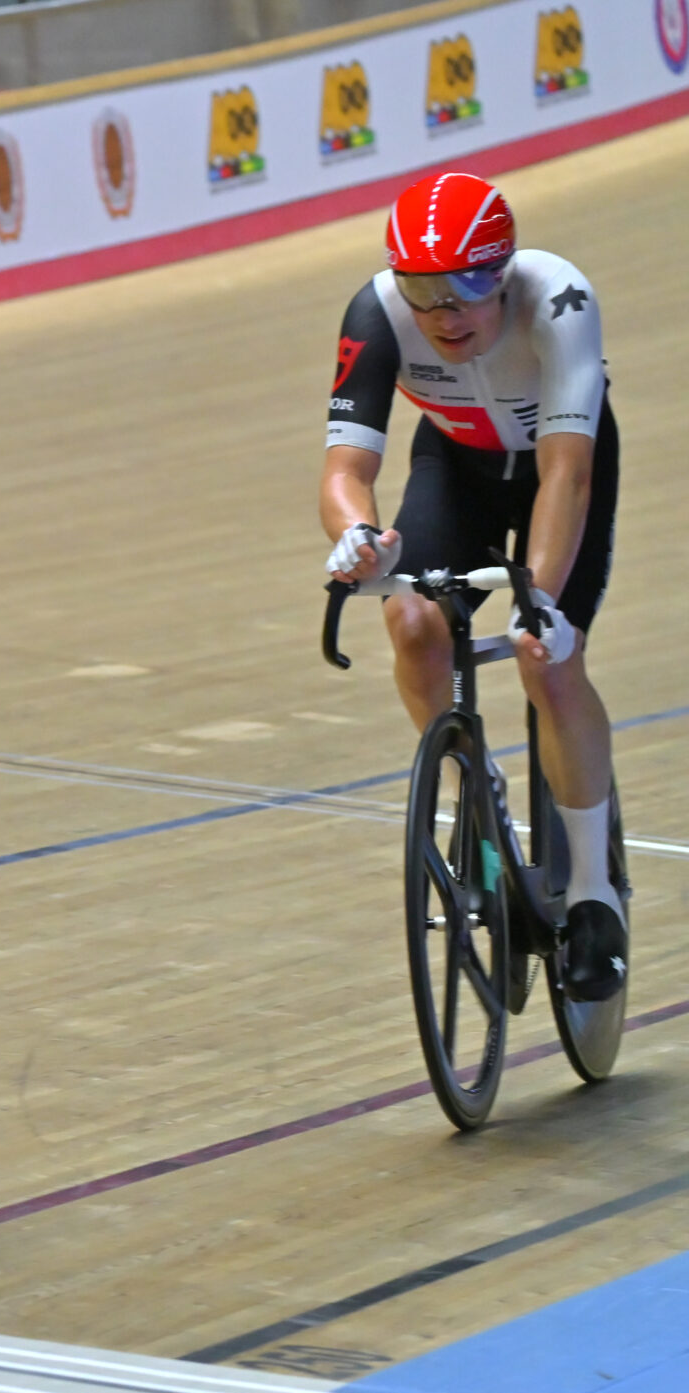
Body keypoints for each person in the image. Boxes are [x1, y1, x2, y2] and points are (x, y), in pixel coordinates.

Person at [321, 169, 625, 999]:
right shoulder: (376, 314)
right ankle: (472, 781)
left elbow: (567, 477)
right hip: (456, 460)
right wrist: (355, 533)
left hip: (557, 472)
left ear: (505, 270)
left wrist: (545, 605)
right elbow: (347, 468)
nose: (445, 310)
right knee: (414, 623)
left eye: (468, 284)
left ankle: (595, 894)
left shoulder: (558, 297)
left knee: (544, 655)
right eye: (424, 287)